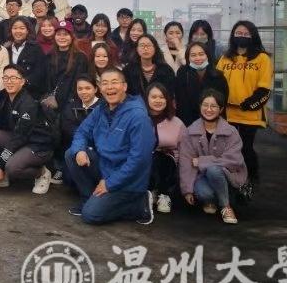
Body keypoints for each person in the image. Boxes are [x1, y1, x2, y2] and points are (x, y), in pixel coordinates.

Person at [65, 68, 155, 225]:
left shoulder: (138, 116)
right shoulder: (101, 109)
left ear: (124, 86)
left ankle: (139, 204)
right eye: (105, 83)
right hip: (105, 168)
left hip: (128, 180)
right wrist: (79, 150)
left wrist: (109, 184)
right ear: (100, 88)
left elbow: (139, 160)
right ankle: (88, 198)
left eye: (114, 82)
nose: (110, 87)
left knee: (91, 215)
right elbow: (82, 132)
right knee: (71, 153)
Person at [0, 64, 56, 195]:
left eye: (13, 78)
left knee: (12, 167)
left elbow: (18, 138)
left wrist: (0, 166)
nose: (9, 81)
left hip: (38, 145)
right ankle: (3, 177)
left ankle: (42, 173)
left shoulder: (28, 104)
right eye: (6, 78)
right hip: (20, 139)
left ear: (22, 81)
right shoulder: (5, 96)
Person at [179, 89, 247, 224]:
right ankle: (213, 200)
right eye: (205, 105)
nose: (208, 109)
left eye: (213, 106)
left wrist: (202, 161)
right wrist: (187, 190)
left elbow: (235, 160)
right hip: (202, 177)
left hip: (228, 176)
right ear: (200, 107)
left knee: (213, 170)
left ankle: (226, 206)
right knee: (203, 193)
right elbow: (186, 162)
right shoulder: (190, 132)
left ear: (221, 109)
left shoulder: (231, 132)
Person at [216, 20, 271, 185]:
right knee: (228, 148)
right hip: (228, 113)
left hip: (250, 115)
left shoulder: (262, 58)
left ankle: (251, 178)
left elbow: (264, 89)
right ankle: (230, 178)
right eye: (238, 33)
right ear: (233, 36)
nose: (242, 36)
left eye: (246, 34)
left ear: (253, 36)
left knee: (246, 147)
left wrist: (250, 103)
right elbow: (216, 82)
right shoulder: (225, 58)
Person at [146, 82, 185, 214]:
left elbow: (184, 151)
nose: (158, 100)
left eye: (162, 97)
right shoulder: (139, 119)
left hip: (168, 167)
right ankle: (149, 192)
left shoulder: (177, 123)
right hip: (143, 163)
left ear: (167, 100)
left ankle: (164, 195)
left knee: (163, 158)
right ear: (147, 99)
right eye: (154, 97)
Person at [57, 74, 101, 183]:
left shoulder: (103, 106)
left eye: (88, 88)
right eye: (80, 89)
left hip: (98, 148)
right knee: (69, 180)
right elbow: (68, 128)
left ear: (95, 89)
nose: (83, 92)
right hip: (76, 144)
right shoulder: (71, 106)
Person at [175, 42, 229, 126]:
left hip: (213, 121)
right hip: (188, 122)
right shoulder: (182, 73)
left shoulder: (218, 76)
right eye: (193, 55)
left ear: (207, 56)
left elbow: (222, 102)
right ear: (188, 58)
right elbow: (181, 102)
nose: (198, 58)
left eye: (201, 54)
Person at [41, 20, 89, 112]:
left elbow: (81, 82)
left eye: (66, 34)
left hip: (72, 105)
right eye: (59, 34)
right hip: (51, 104)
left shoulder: (80, 57)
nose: (62, 37)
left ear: (72, 37)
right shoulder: (49, 56)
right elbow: (46, 82)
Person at [6, 16, 47, 99]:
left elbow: (40, 71)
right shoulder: (6, 49)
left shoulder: (35, 48)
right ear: (11, 30)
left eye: (22, 28)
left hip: (30, 93)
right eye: (15, 28)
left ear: (27, 30)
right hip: (9, 93)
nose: (18, 31)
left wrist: (24, 82)